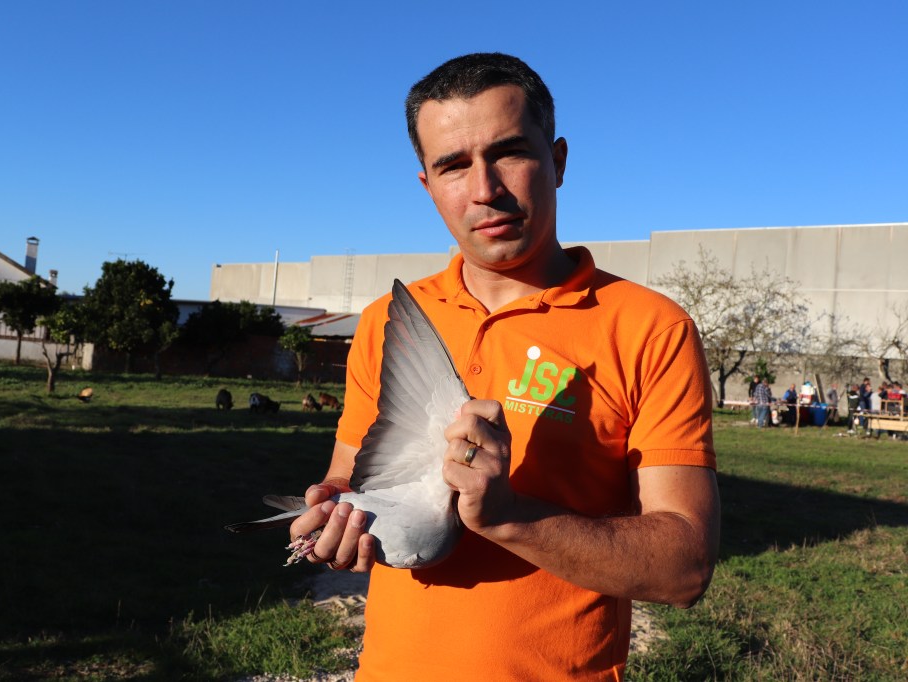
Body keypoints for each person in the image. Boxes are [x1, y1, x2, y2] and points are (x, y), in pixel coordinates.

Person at [289, 53, 720, 680]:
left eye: (510, 152)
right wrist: (333, 515)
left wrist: (507, 516)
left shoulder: (650, 327)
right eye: (453, 166)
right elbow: (348, 478)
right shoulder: (388, 320)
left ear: (558, 161)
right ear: (428, 186)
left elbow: (685, 569)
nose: (485, 190)